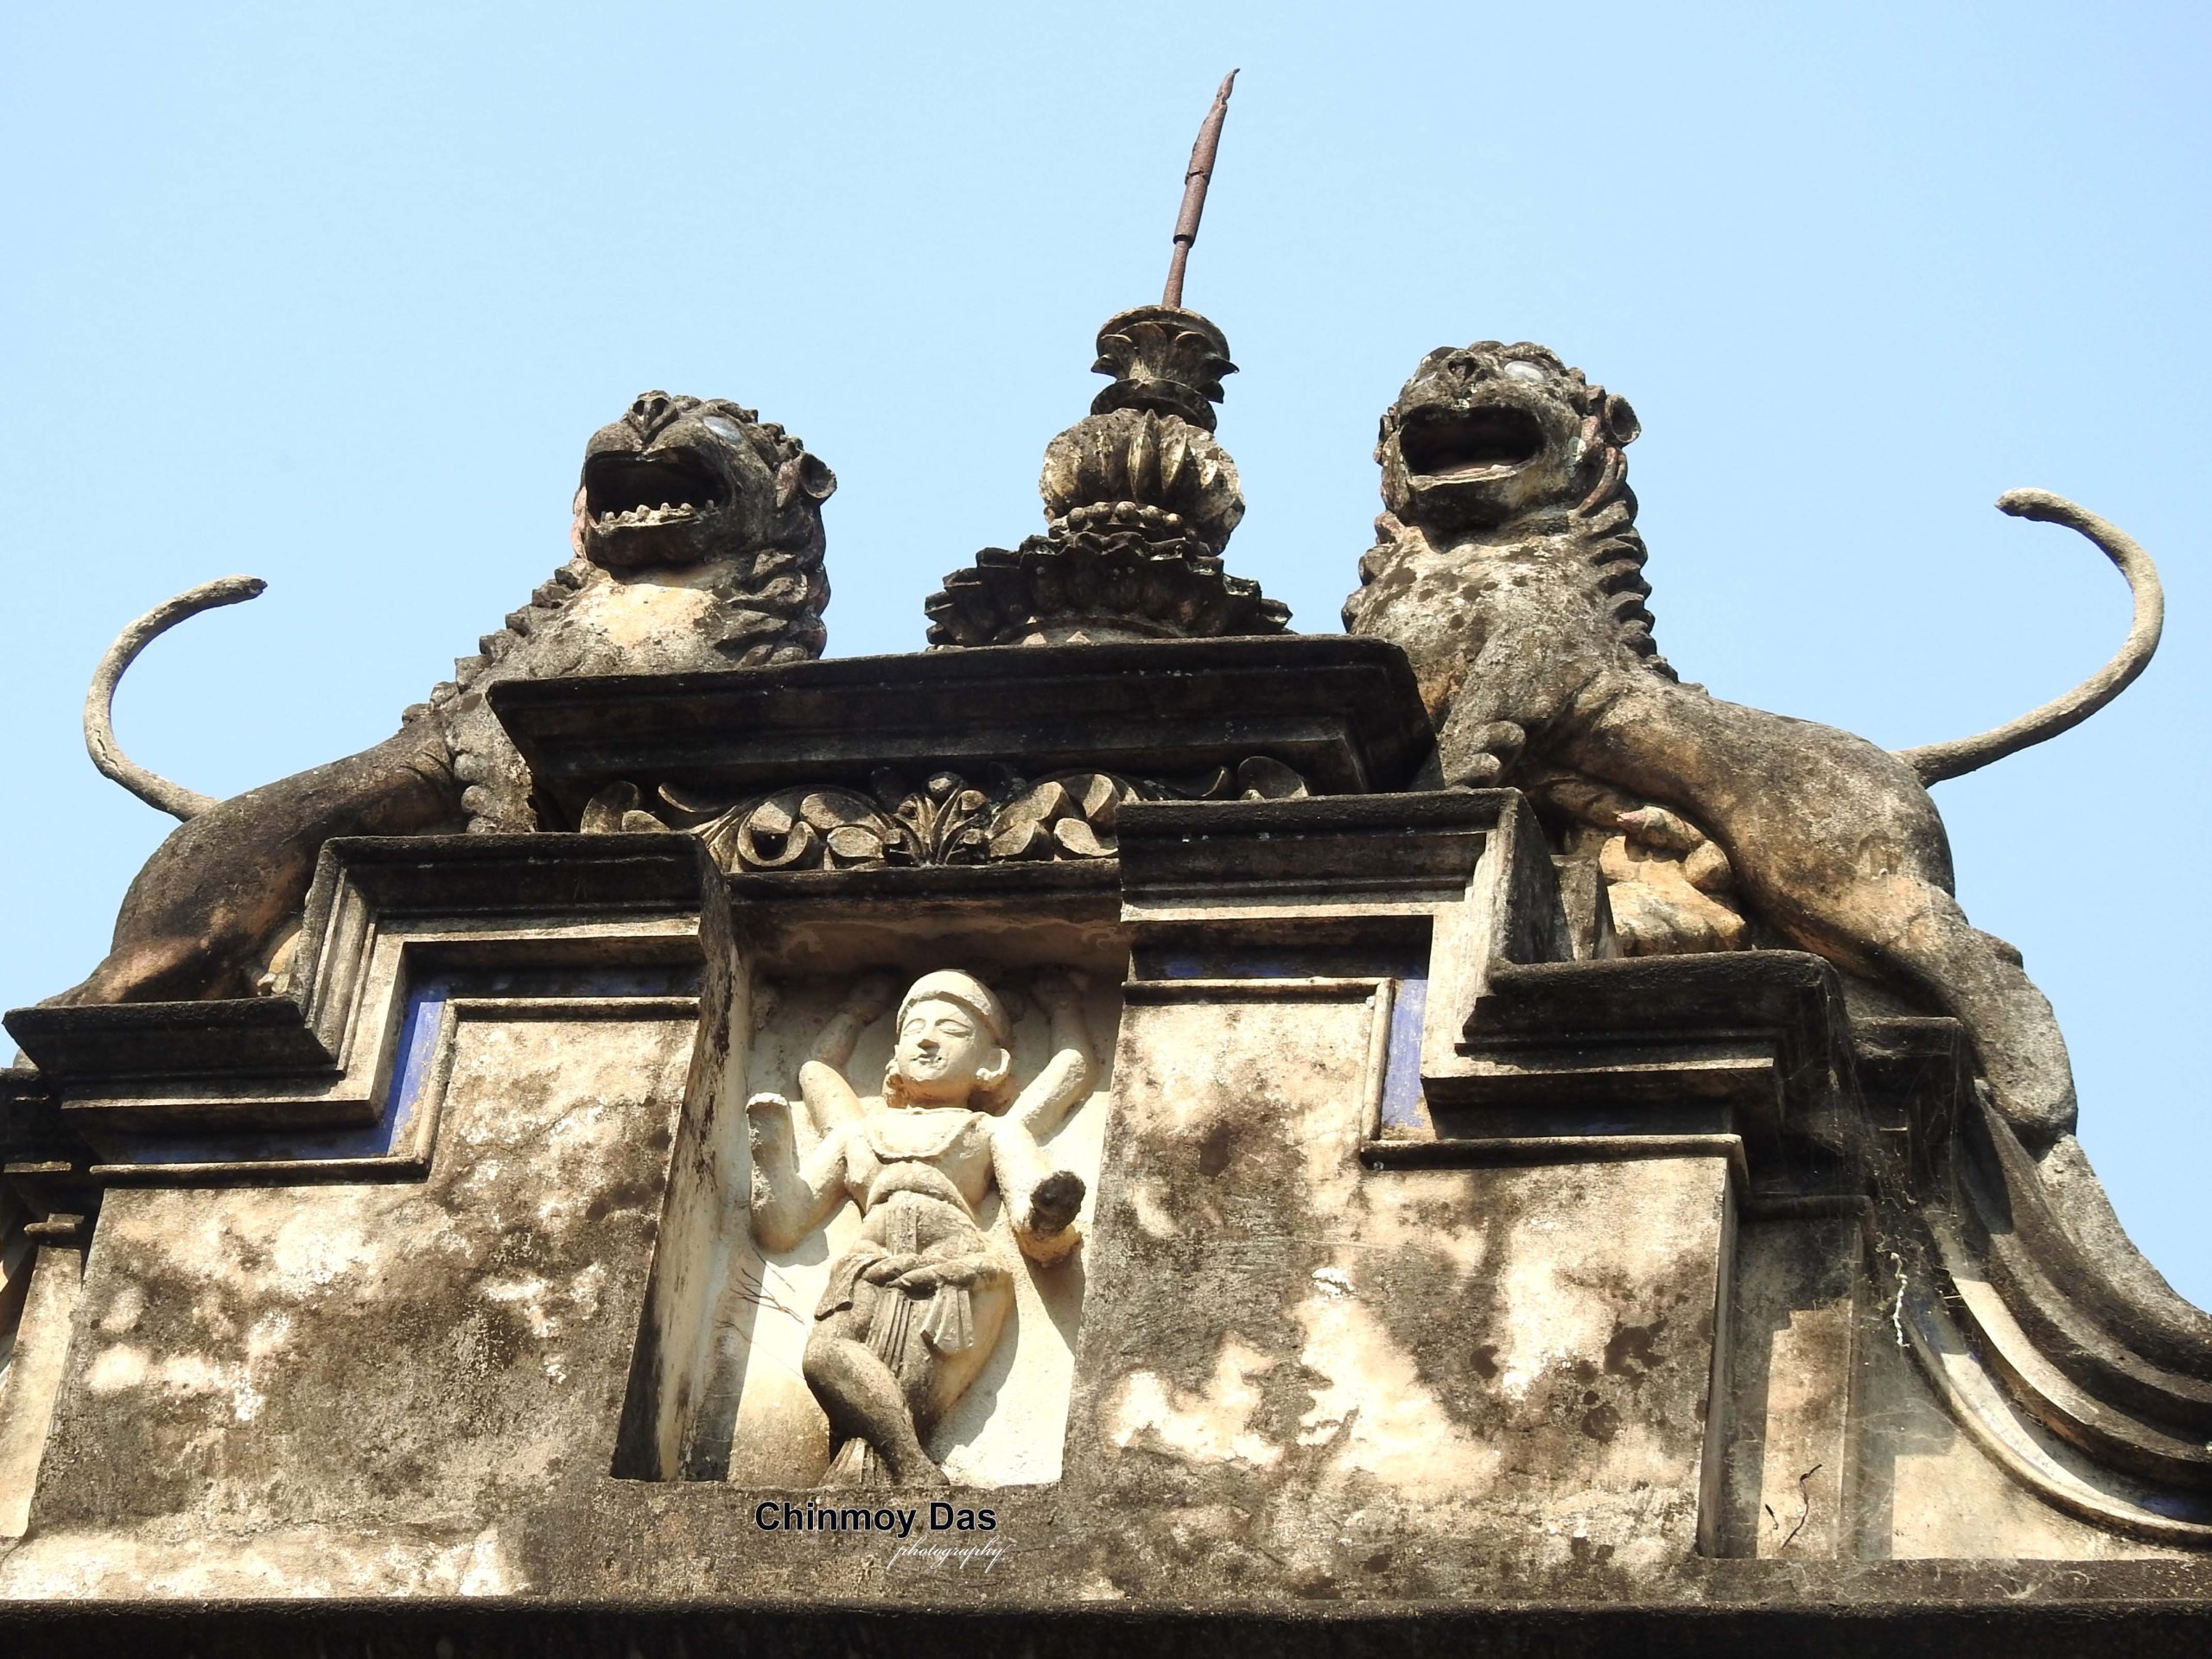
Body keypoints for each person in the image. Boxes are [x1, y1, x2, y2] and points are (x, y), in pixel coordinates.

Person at [744, 968, 1092, 1487]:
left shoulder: (991, 1130)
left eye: (951, 1030)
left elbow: (1070, 1073)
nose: (927, 1040)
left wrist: (1048, 1216)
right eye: (914, 1028)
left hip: (958, 1272)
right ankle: (912, 1468)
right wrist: (770, 1157)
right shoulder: (857, 1132)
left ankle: (886, 1475)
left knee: (913, 1393)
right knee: (823, 1357)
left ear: (992, 1064)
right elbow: (784, 1223)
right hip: (866, 1271)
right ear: (894, 1056)